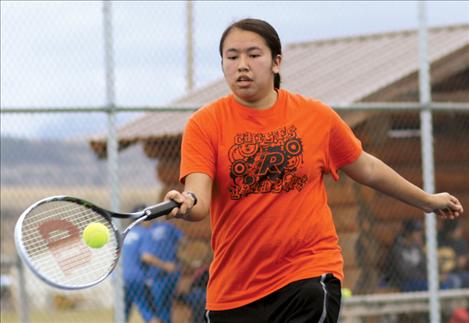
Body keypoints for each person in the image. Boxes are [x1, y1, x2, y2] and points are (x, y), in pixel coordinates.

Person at [161, 18, 464, 323]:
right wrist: (186, 203)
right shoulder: (204, 124)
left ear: (276, 62)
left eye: (254, 55)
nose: (242, 65)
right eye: (232, 56)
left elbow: (368, 168)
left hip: (306, 272)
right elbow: (197, 198)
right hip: (234, 290)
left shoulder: (315, 116)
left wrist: (427, 200)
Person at [142, 217, 185, 323]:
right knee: (168, 306)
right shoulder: (168, 227)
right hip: (170, 273)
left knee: (161, 308)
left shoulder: (149, 231)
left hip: (158, 276)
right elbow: (184, 241)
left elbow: (146, 256)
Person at [122, 205, 159, 323]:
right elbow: (146, 257)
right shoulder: (145, 233)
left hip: (121, 277)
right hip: (136, 277)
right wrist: (166, 266)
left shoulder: (126, 233)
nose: (151, 222)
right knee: (145, 309)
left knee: (123, 312)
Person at [386, 219, 428, 292]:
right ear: (408, 233)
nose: (420, 235)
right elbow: (405, 273)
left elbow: (425, 264)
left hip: (421, 280)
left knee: (449, 281)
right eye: (416, 232)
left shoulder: (416, 247)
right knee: (433, 285)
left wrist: (437, 276)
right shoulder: (397, 249)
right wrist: (427, 277)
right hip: (403, 283)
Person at [438, 220, 469, 289]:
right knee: (454, 281)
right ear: (450, 232)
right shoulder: (438, 240)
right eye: (458, 229)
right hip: (440, 274)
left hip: (456, 272)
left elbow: (460, 265)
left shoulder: (461, 243)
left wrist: (459, 262)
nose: (460, 231)